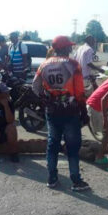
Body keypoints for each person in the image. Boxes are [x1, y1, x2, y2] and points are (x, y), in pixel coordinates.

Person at [32, 35, 89, 191]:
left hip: (52, 111)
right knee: (72, 146)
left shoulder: (44, 65)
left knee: (52, 144)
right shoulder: (73, 65)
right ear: (65, 48)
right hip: (70, 112)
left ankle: (52, 178)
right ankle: (76, 181)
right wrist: (84, 111)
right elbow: (79, 93)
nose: (71, 49)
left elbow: (35, 87)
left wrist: (46, 99)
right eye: (69, 47)